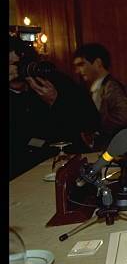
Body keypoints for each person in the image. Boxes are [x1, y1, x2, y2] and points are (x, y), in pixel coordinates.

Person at [9, 35, 99, 179]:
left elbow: (91, 120)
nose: (14, 68)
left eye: (17, 63)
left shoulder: (54, 80)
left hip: (67, 164)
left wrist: (56, 102)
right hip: (22, 173)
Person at [73, 43, 127, 149]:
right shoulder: (98, 87)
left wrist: (93, 125)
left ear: (98, 63)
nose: (77, 71)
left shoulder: (111, 86)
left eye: (81, 64)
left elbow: (124, 117)